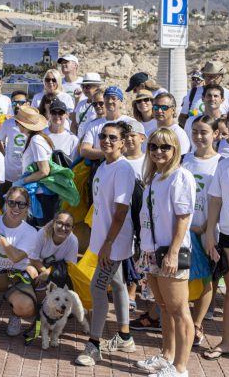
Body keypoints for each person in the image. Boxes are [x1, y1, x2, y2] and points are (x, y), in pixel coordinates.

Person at [74, 121, 137, 367]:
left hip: (114, 242)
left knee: (97, 289)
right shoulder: (103, 166)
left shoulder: (122, 169)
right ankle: (125, 336)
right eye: (103, 136)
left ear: (122, 142)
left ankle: (94, 345)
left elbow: (121, 211)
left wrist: (109, 243)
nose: (107, 140)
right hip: (104, 240)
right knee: (118, 284)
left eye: (113, 137)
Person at [135, 128, 195, 377]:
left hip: (170, 252)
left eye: (165, 147)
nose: (158, 151)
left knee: (180, 311)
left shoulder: (179, 176)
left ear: (175, 150)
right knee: (163, 306)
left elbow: (183, 217)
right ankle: (167, 356)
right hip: (152, 252)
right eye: (153, 146)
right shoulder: (153, 179)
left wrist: (172, 252)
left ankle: (181, 367)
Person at [0, 186, 39, 339]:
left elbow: (15, 257)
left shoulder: (30, 232)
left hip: (14, 282)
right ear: (5, 203)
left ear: (27, 207)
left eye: (21, 204)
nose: (16, 208)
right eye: (11, 203)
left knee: (26, 307)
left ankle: (15, 314)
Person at [181, 115, 221, 346]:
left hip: (208, 232)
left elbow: (220, 199)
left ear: (216, 134)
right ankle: (184, 322)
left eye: (204, 132)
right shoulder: (185, 159)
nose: (198, 136)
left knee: (207, 279)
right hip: (184, 231)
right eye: (195, 131)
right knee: (182, 280)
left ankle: (197, 324)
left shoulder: (221, 162)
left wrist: (204, 227)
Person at [204, 131, 229, 363]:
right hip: (228, 234)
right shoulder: (225, 165)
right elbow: (215, 200)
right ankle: (227, 343)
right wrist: (210, 234)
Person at [13, 105, 56, 227]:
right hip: (38, 194)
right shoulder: (36, 138)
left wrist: (22, 181)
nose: (16, 124)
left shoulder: (36, 140)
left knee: (43, 233)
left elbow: (44, 170)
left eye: (18, 122)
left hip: (41, 195)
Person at [80, 86, 135, 162]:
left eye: (113, 98)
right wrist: (108, 152)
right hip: (101, 166)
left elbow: (131, 148)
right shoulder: (93, 124)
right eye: (107, 98)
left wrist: (105, 152)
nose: (109, 101)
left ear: (120, 101)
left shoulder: (130, 122)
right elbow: (84, 150)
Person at [0, 91, 29, 204]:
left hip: (27, 176)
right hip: (8, 175)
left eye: (21, 102)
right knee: (6, 205)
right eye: (14, 103)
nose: (17, 106)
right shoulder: (8, 123)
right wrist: (4, 155)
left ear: (28, 104)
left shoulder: (33, 124)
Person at [29, 211, 78, 287]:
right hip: (38, 266)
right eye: (60, 223)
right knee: (31, 274)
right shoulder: (43, 234)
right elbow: (33, 259)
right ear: (53, 223)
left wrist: (49, 272)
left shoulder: (73, 241)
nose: (63, 228)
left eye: (68, 225)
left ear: (72, 228)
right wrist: (45, 272)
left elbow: (69, 266)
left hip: (57, 271)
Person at [179, 61, 229, 126]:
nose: (211, 80)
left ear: (221, 77)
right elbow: (182, 117)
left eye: (215, 77)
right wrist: (194, 129)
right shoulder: (193, 92)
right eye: (208, 77)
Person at [183, 84, 224, 151]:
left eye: (216, 96)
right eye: (209, 95)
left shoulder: (227, 122)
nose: (212, 99)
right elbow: (186, 146)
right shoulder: (191, 120)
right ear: (202, 98)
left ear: (222, 100)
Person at [71, 72, 103, 136]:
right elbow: (74, 124)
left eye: (88, 86)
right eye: (83, 86)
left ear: (97, 87)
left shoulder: (101, 105)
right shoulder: (80, 103)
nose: (85, 89)